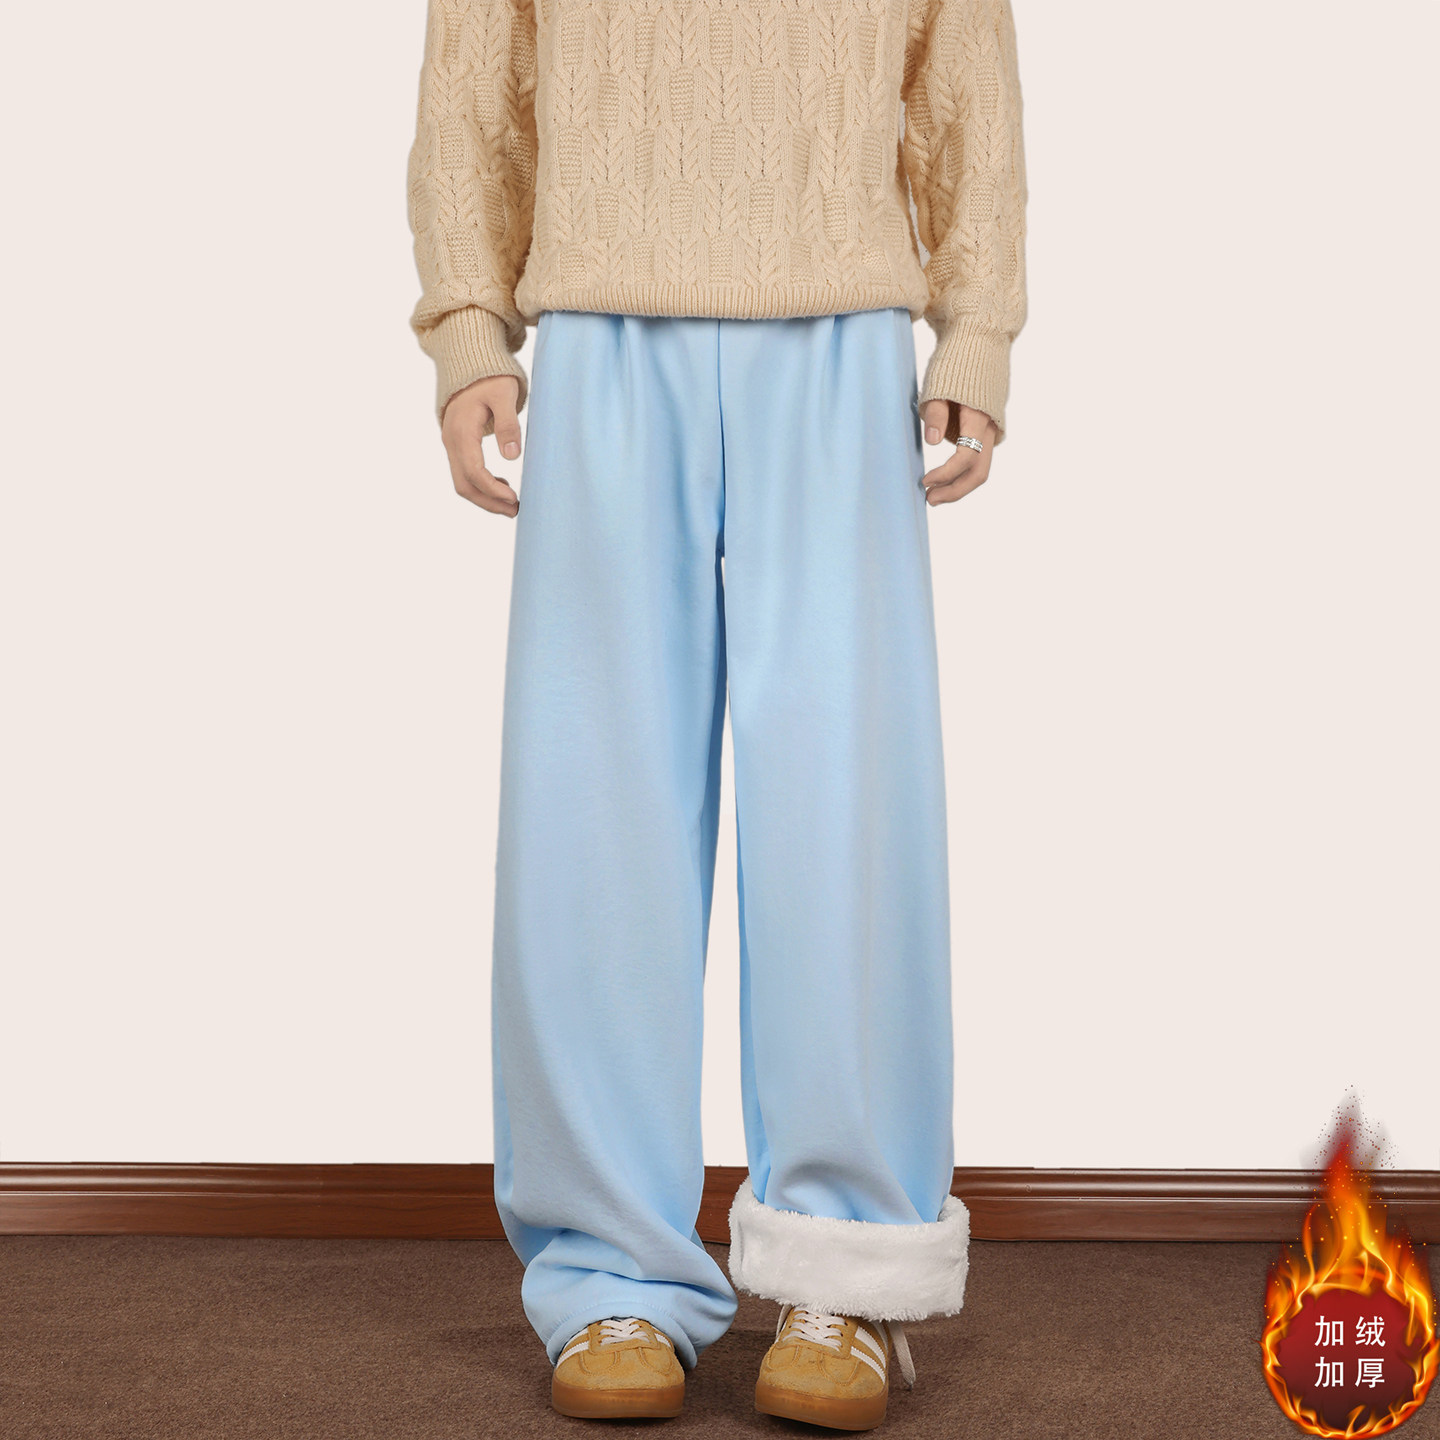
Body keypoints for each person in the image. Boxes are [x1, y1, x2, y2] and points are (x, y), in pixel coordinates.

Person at [405, 0, 1026, 1428]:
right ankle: (608, 1269)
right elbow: (475, 73)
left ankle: (848, 1270)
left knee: (845, 806)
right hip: (602, 324)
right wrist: (468, 326)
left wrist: (977, 327)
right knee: (593, 812)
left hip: (842, 329)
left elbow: (963, 67)